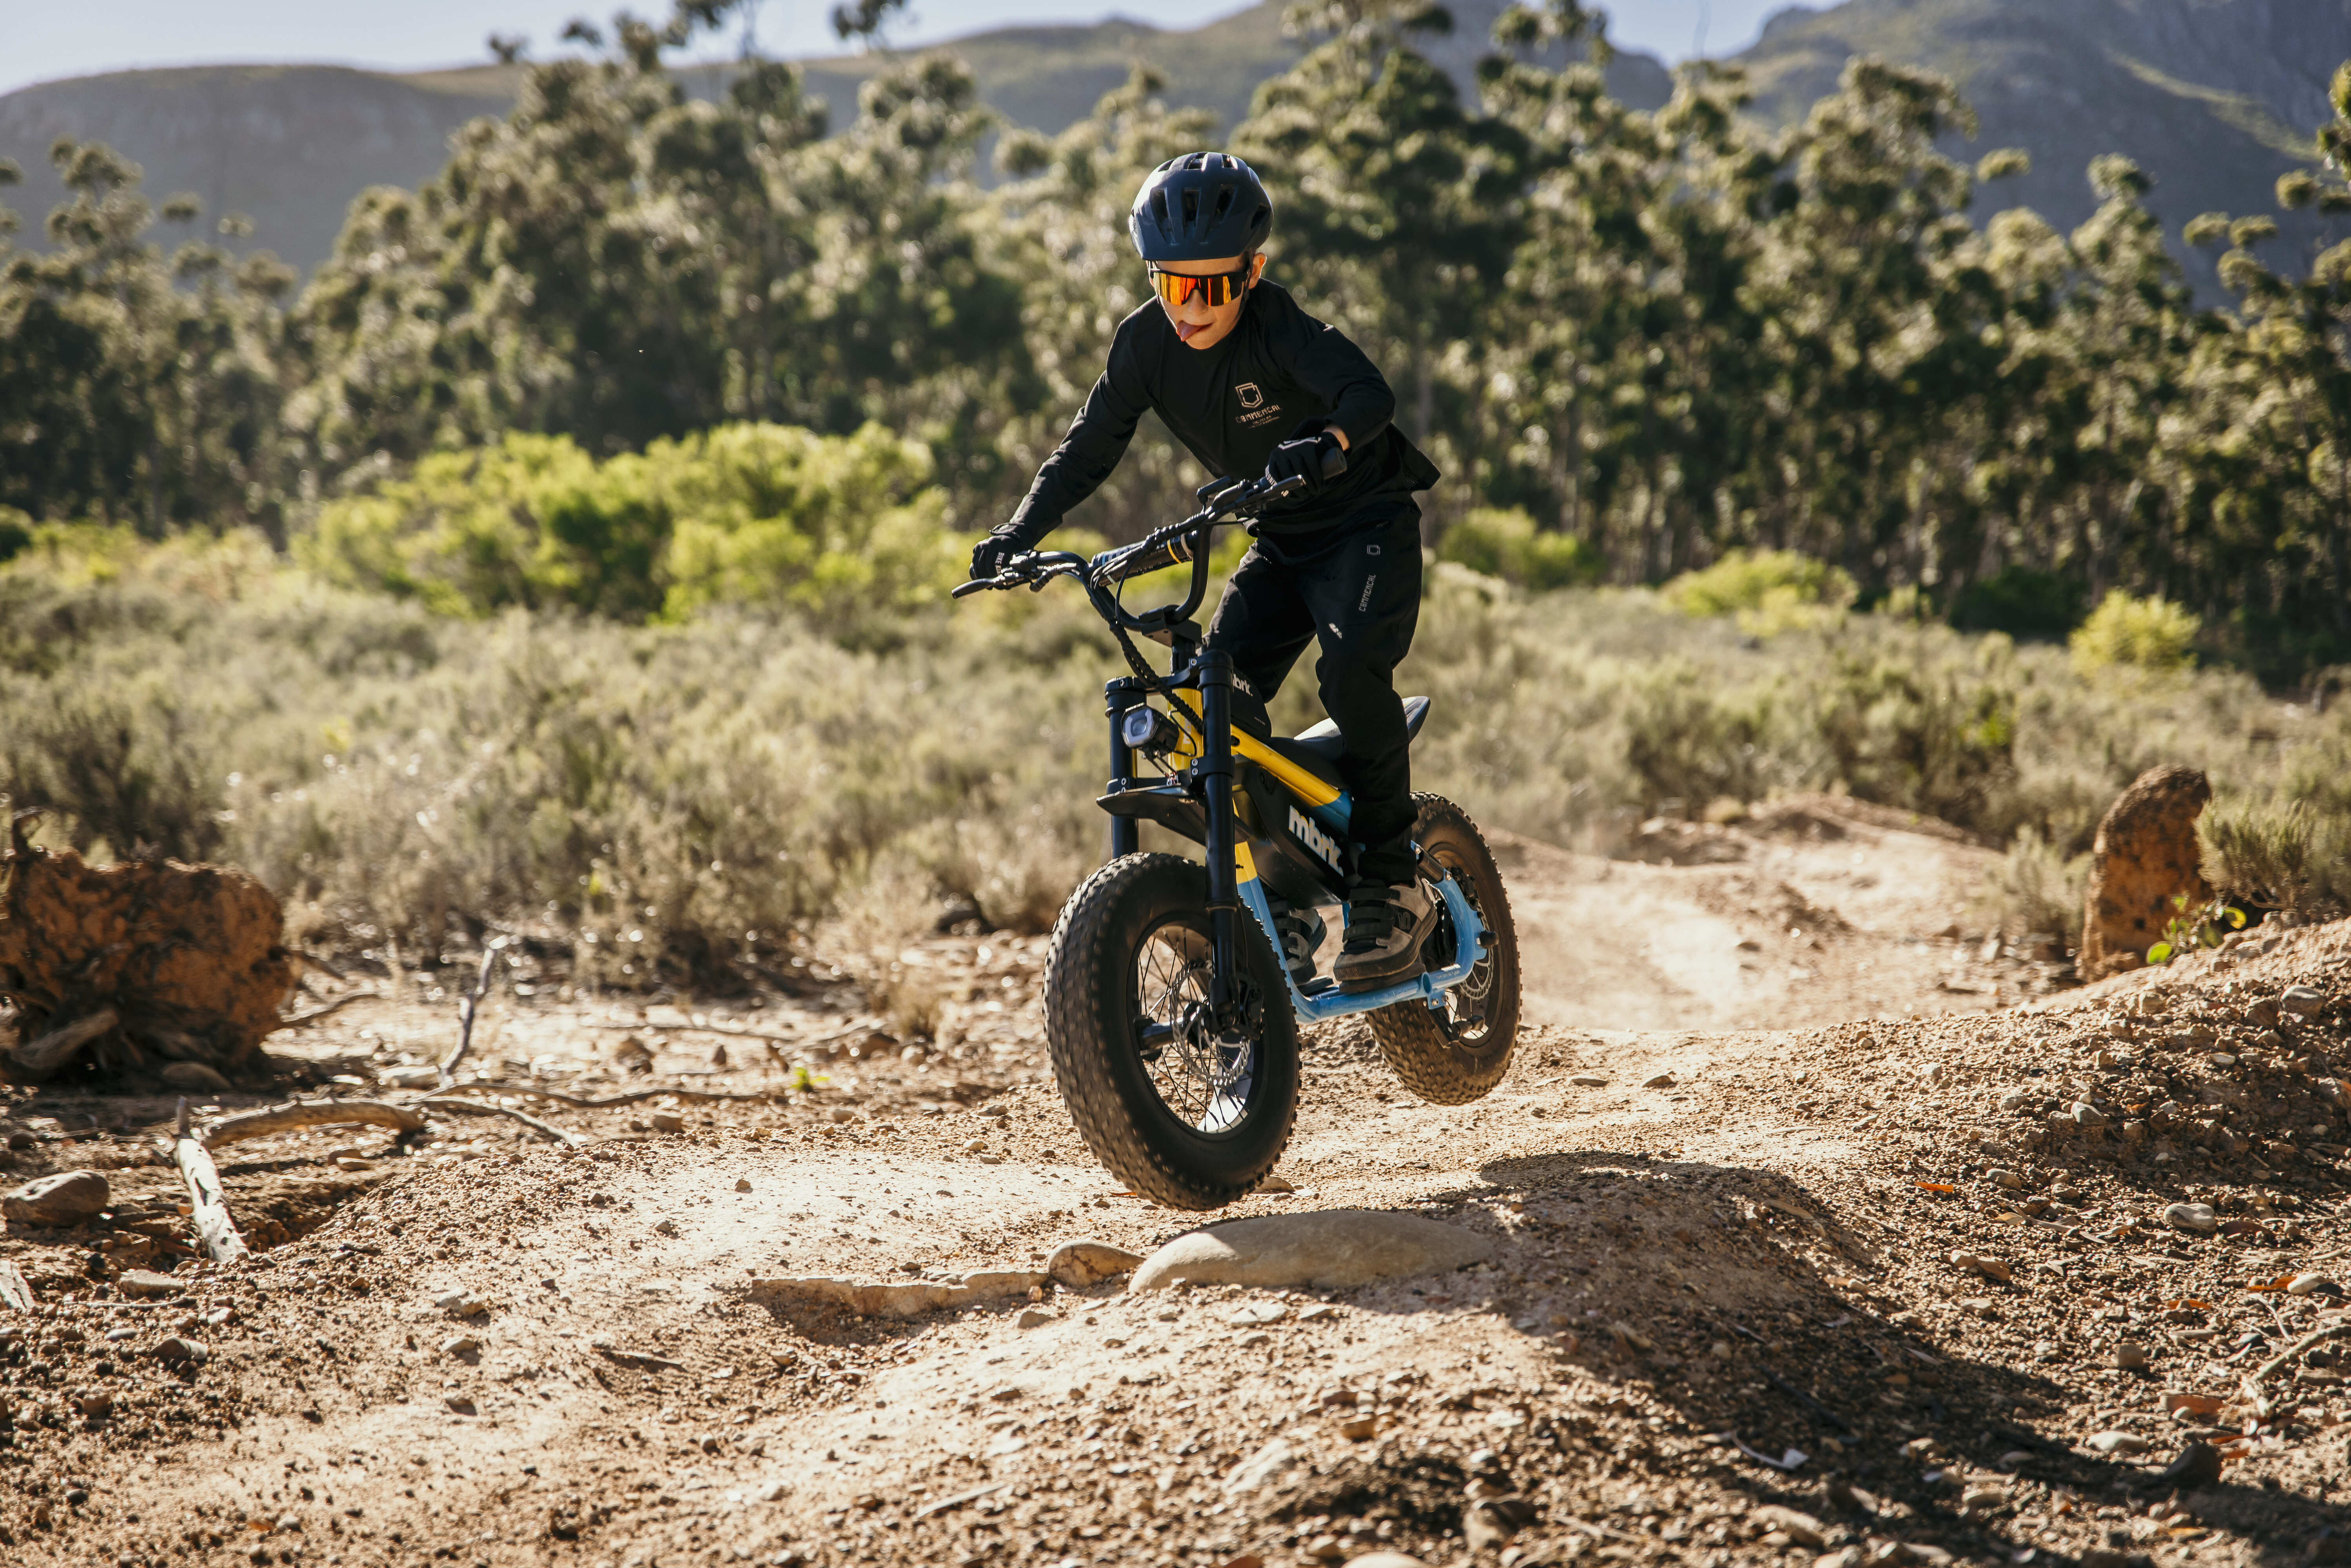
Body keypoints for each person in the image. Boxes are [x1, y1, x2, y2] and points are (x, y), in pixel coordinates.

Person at [970, 151, 1443, 989]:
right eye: (1169, 284)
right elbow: (1087, 448)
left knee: (1350, 672)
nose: (1187, 307)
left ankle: (1392, 875)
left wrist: (1324, 445)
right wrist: (1017, 531)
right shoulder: (1145, 345)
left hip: (1362, 524)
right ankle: (1281, 901)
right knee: (1206, 703)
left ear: (1251, 273)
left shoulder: (1278, 324)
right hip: (1279, 543)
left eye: (1210, 288)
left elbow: (1369, 396)